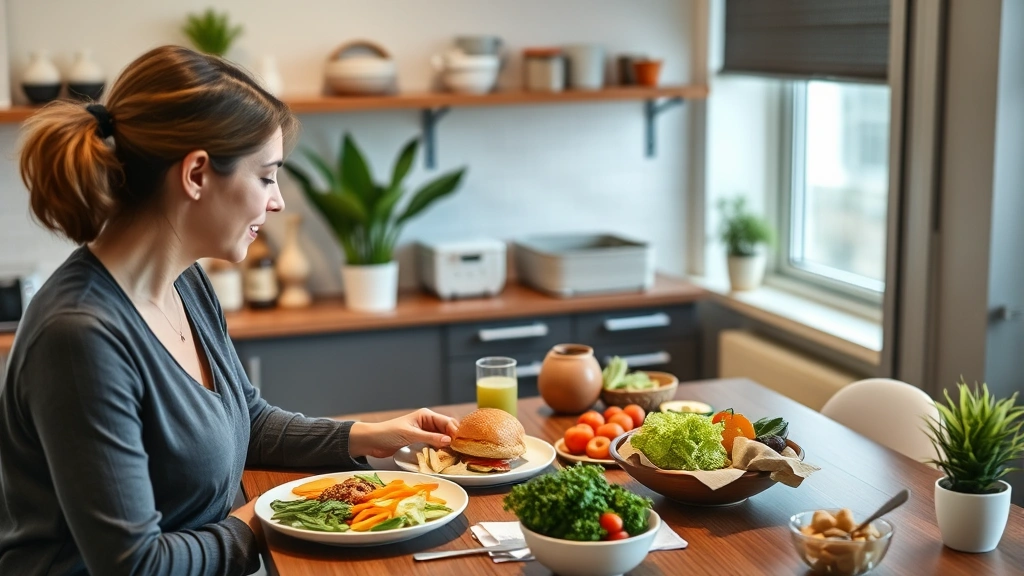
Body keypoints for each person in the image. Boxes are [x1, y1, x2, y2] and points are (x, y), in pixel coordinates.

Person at [0, 45, 459, 576]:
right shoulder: (80, 338)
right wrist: (279, 517)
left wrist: (373, 436)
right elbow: (137, 566)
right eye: (266, 176)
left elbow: (246, 420)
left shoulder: (185, 281)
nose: (278, 200)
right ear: (196, 174)